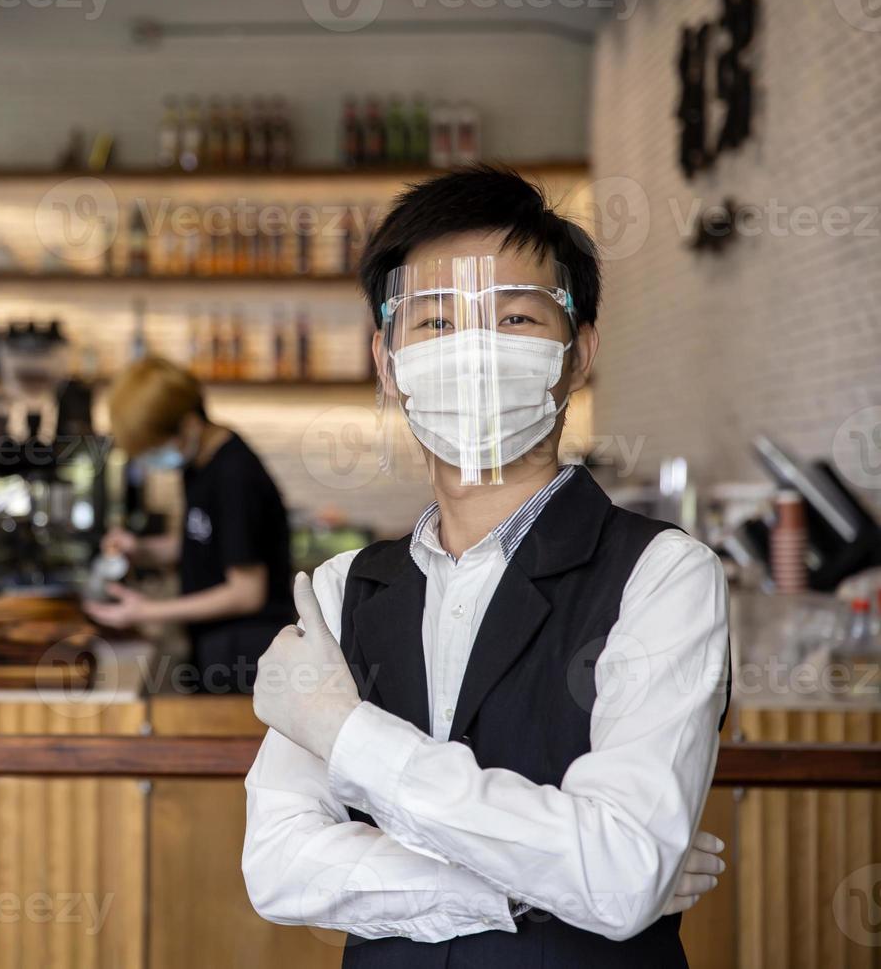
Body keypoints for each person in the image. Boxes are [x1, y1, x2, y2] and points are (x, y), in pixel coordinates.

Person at [242, 167, 731, 966]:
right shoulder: (341, 592)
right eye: (434, 322)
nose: (473, 351)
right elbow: (280, 868)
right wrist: (522, 887)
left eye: (514, 317)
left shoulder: (664, 576)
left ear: (580, 354)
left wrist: (348, 735)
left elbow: (617, 871)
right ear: (387, 360)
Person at [82, 356, 293, 694]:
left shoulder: (235, 475)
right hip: (213, 643)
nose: (152, 460)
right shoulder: (198, 464)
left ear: (189, 424)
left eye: (153, 448)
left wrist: (147, 611)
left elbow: (247, 592)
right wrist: (142, 550)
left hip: (248, 653)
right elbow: (202, 543)